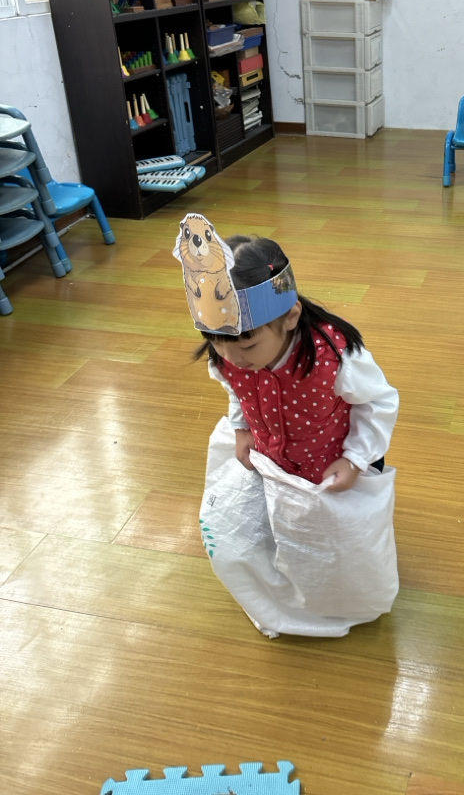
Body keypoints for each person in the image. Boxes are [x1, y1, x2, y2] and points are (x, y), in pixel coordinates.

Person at [173, 215, 399, 637]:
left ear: (291, 315)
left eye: (247, 343)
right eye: (217, 341)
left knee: (336, 549)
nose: (232, 358)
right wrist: (242, 427)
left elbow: (378, 402)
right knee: (274, 536)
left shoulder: (335, 358)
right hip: (273, 462)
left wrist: (355, 459)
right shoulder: (228, 355)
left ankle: (336, 599)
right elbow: (235, 389)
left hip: (329, 468)